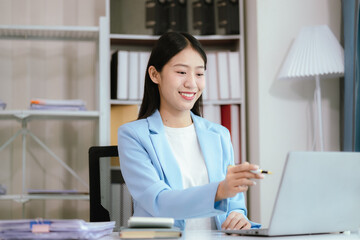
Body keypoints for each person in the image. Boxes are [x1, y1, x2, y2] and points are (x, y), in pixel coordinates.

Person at [117, 32, 263, 231]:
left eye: (200, 74)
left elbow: (234, 205)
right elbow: (159, 202)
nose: (192, 83)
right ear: (154, 74)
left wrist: (237, 217)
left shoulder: (219, 135)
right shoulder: (133, 135)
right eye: (181, 72)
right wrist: (219, 191)